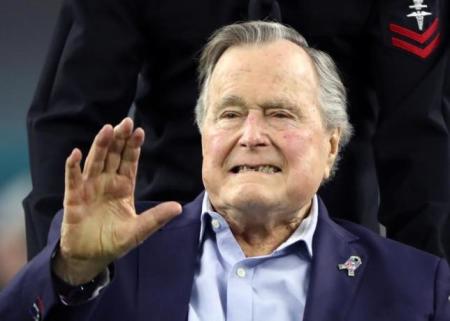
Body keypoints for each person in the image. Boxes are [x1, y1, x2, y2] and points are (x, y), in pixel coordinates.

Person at [2, 22, 449, 321]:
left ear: (332, 144)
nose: (251, 135)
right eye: (230, 114)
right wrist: (70, 272)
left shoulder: (417, 287)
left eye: (280, 114)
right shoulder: (106, 261)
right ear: (203, 136)